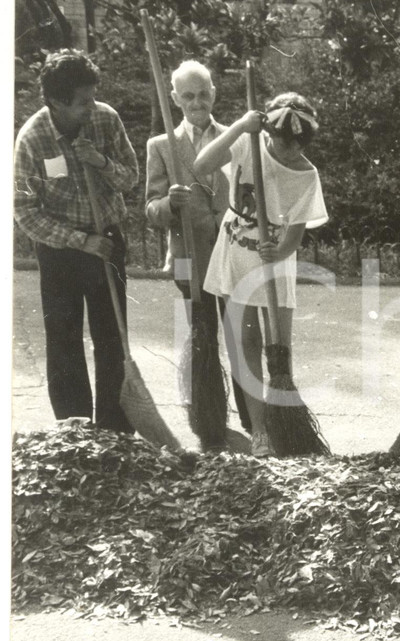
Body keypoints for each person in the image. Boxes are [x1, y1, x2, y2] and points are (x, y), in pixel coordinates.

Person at [195, 92, 329, 456]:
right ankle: (259, 432)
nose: (287, 153)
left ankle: (283, 424)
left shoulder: (306, 174)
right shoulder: (246, 143)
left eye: (295, 148)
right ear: (267, 130)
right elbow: (201, 165)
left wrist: (280, 249)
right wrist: (240, 126)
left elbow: (296, 233)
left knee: (278, 348)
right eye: (281, 145)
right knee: (245, 343)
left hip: (273, 259)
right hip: (235, 248)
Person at [13, 49, 138, 433]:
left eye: (93, 96)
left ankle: (116, 428)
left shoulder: (106, 119)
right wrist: (79, 241)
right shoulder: (32, 139)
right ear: (55, 100)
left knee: (112, 338)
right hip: (61, 251)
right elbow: (23, 210)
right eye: (83, 101)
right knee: (65, 341)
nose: (91, 106)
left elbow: (131, 178)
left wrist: (100, 161)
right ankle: (75, 429)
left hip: (108, 239)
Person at [145, 60, 251, 439]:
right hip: (189, 260)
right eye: (187, 95)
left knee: (243, 337)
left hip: (234, 258)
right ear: (174, 99)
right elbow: (151, 211)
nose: (197, 101)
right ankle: (209, 418)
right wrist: (170, 204)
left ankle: (253, 420)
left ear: (214, 93)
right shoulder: (161, 147)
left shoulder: (238, 137)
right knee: (203, 334)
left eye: (203, 93)